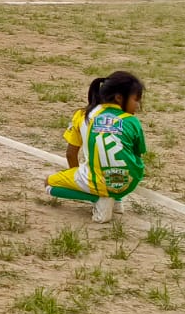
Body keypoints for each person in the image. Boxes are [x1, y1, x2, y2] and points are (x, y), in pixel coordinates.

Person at [47, 71, 147, 223]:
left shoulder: (83, 115)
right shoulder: (132, 121)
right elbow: (137, 155)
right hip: (129, 182)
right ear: (119, 98)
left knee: (48, 183)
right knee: (117, 168)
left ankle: (97, 198)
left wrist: (79, 180)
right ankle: (117, 200)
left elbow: (70, 154)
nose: (138, 106)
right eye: (136, 100)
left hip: (97, 181)